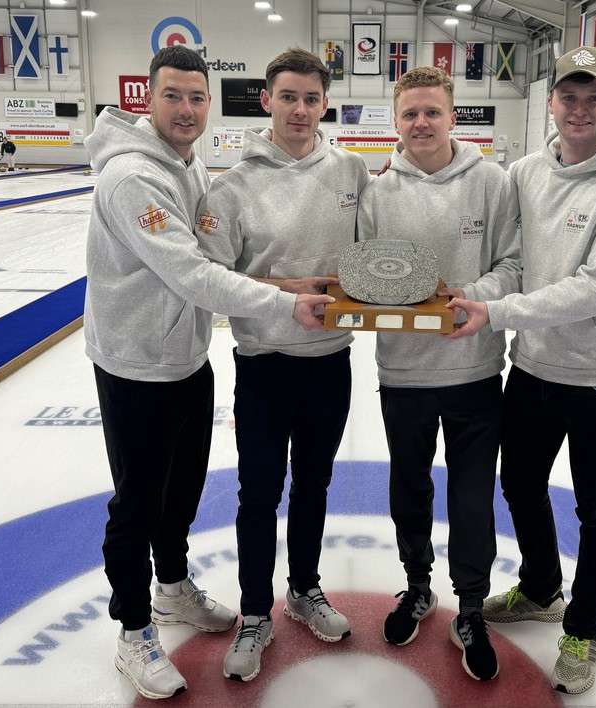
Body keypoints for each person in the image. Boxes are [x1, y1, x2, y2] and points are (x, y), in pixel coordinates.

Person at [84, 45, 333, 701]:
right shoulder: (133, 178)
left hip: (185, 358)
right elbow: (193, 273)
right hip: (137, 365)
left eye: (197, 97)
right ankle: (134, 631)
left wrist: (283, 283)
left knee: (181, 495)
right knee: (138, 506)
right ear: (147, 98)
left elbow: (211, 263)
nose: (187, 108)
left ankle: (171, 588)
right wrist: (284, 302)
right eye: (173, 95)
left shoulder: (185, 164)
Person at [447, 46, 596, 695]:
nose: (579, 109)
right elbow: (498, 235)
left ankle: (583, 628)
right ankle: (542, 587)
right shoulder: (527, 172)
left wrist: (497, 311)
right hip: (534, 370)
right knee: (519, 484)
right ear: (550, 101)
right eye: (568, 96)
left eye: (593, 97)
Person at [196, 47, 370, 683]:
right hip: (263, 364)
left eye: (312, 99)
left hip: (330, 362)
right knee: (259, 493)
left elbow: (373, 258)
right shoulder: (231, 188)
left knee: (314, 486)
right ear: (266, 100)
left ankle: (303, 589)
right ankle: (253, 613)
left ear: (326, 105)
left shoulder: (352, 172)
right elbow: (210, 276)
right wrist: (283, 289)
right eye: (289, 97)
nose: (300, 109)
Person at [356, 66, 521, 682]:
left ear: (453, 117)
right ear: (395, 123)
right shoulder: (377, 193)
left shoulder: (492, 183)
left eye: (432, 112)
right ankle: (418, 585)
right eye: (410, 114)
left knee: (472, 497)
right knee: (410, 489)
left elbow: (514, 264)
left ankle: (471, 606)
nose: (421, 123)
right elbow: (363, 277)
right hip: (403, 373)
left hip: (475, 371)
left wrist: (471, 296)